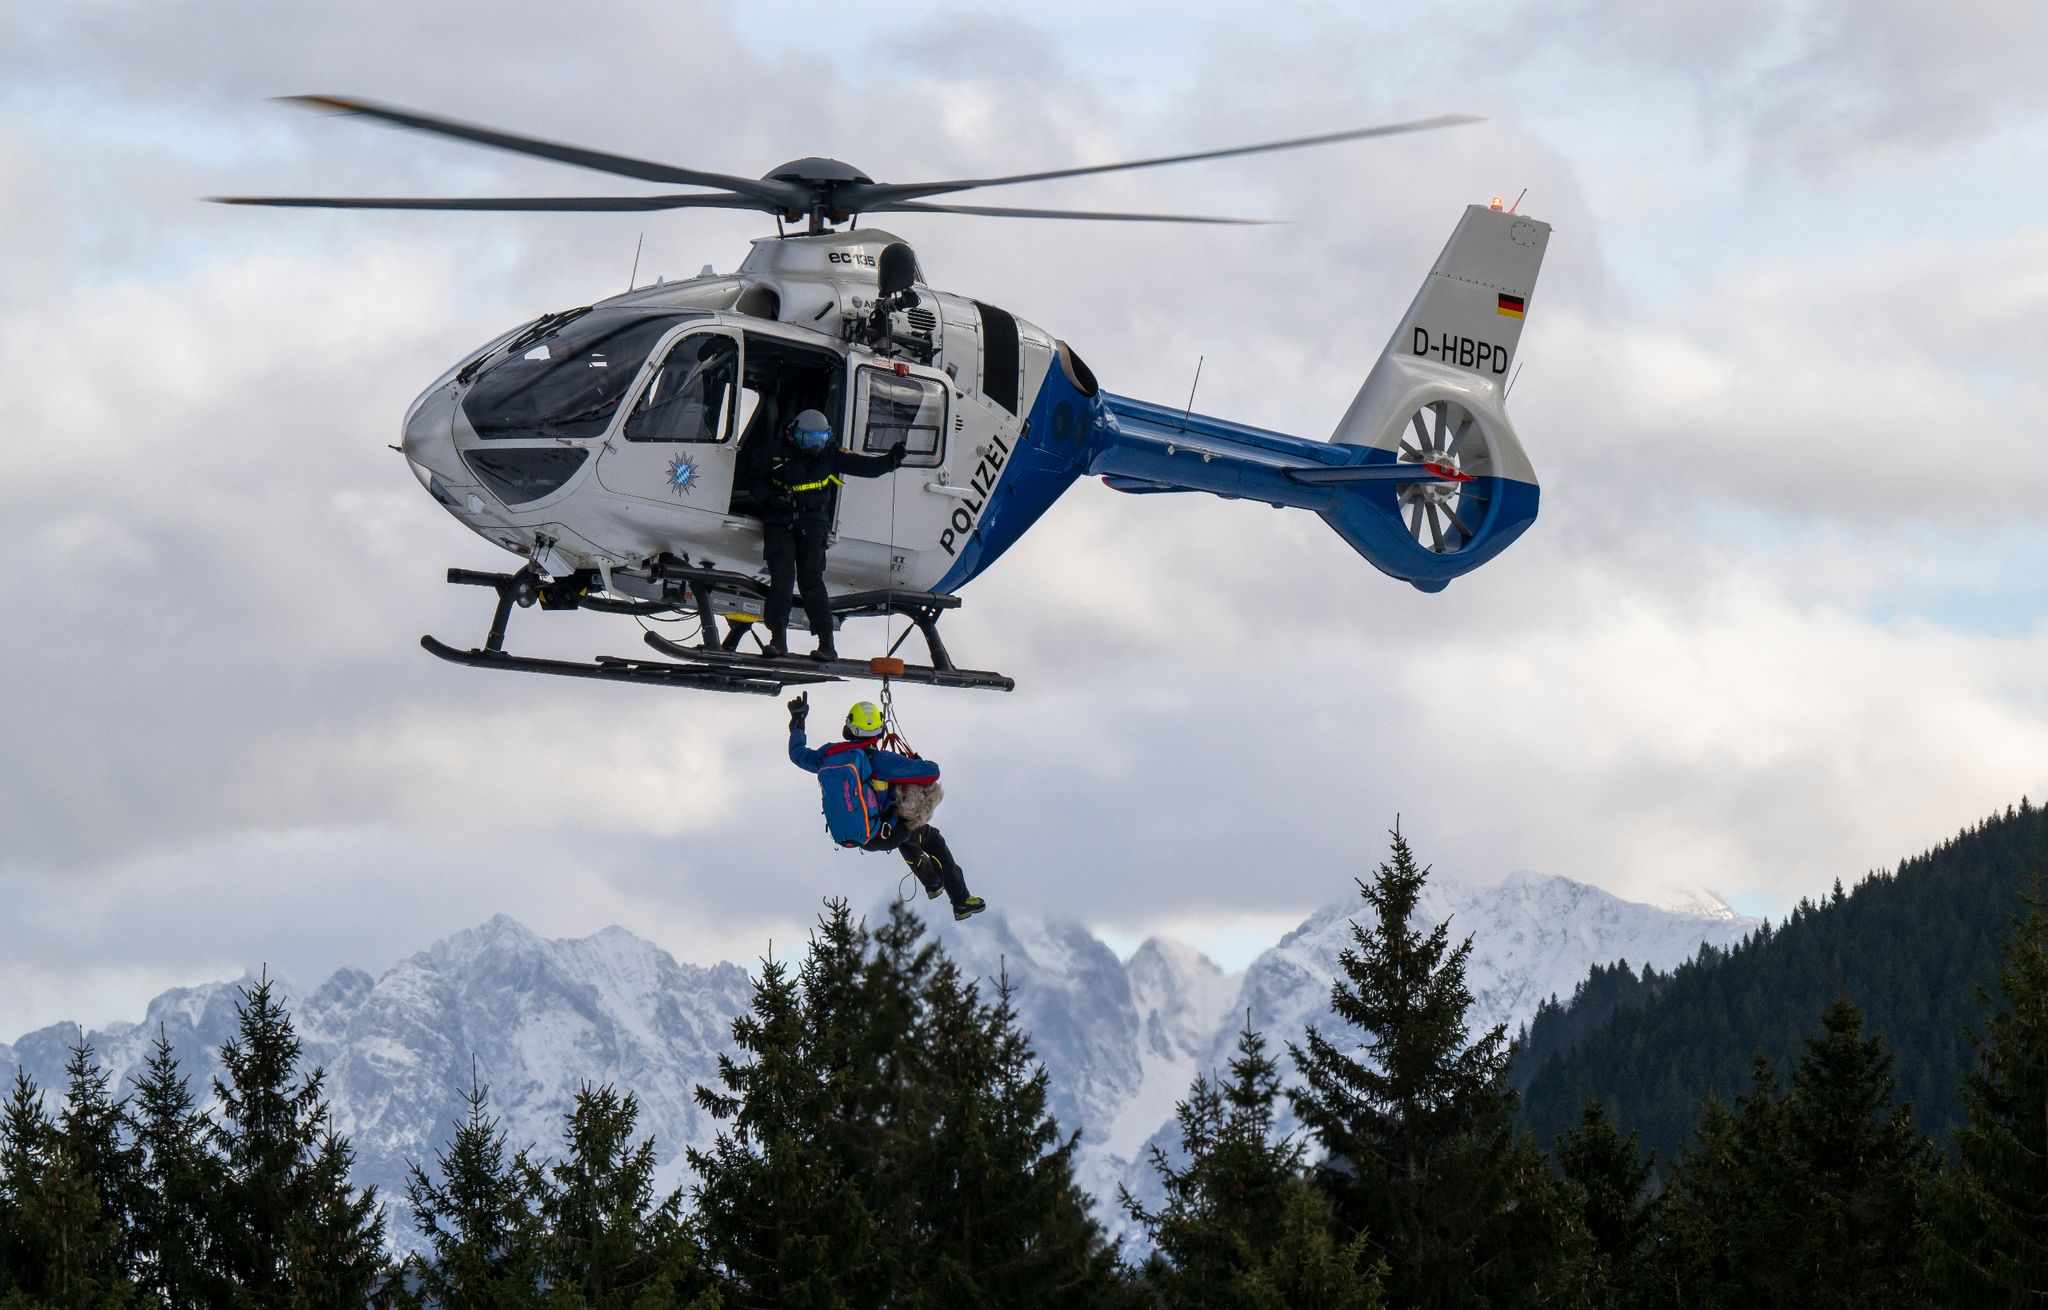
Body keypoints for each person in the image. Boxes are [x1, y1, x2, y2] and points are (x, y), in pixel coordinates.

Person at [786, 692, 986, 921]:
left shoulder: (830, 754)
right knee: (933, 840)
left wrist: (798, 723)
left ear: (849, 728)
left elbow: (798, 755)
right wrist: (915, 761)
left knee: (908, 835)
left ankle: (933, 884)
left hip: (863, 835)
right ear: (879, 731)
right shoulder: (881, 760)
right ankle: (961, 902)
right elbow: (933, 771)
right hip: (886, 833)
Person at [749, 407, 906, 660]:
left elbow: (865, 466)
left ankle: (827, 643)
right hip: (779, 519)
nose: (814, 446)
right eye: (808, 440)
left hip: (813, 522)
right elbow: (753, 478)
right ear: (794, 434)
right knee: (782, 579)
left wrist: (891, 461)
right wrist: (769, 498)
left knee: (812, 582)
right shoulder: (773, 452)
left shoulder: (832, 453)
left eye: (819, 440)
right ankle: (778, 639)